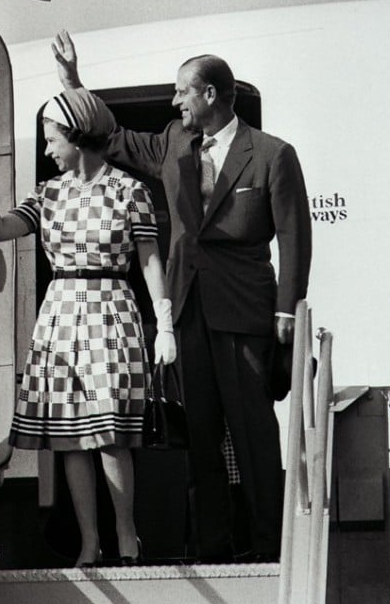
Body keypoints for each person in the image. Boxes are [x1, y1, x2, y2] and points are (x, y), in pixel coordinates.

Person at [52, 31, 311, 562]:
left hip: (244, 313)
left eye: (182, 93)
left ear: (210, 95)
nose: (175, 103)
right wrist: (73, 83)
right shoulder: (173, 141)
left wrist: (287, 311)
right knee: (200, 437)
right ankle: (211, 547)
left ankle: (271, 549)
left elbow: (294, 238)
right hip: (189, 310)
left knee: (254, 437)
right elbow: (115, 139)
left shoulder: (272, 155)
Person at [0, 87, 177, 567]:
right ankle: (90, 542)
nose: (48, 149)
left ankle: (126, 534)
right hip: (60, 312)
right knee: (72, 436)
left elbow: (150, 258)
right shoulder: (49, 194)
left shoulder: (129, 190)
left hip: (112, 307)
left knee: (111, 431)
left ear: (78, 137)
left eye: (52, 139)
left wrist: (164, 322)